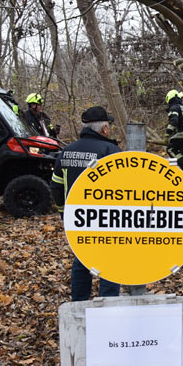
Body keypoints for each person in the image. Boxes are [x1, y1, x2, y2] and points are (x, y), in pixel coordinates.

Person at [51, 106, 121, 301]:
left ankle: (79, 305)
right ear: (105, 129)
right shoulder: (111, 151)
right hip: (107, 219)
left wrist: (64, 213)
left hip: (78, 218)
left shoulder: (66, 152)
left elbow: (56, 187)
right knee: (109, 263)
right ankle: (108, 306)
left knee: (82, 260)